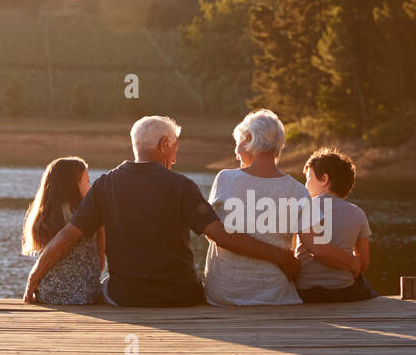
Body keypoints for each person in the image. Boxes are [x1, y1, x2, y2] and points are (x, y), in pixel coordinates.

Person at [24, 115, 298, 307]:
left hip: (125, 298)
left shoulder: (105, 185)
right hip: (182, 296)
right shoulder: (182, 186)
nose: (176, 158)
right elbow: (221, 236)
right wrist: (281, 257)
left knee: (106, 286)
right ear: (163, 144)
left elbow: (65, 238)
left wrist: (33, 279)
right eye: (175, 148)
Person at [203, 108, 334, 306]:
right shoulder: (298, 191)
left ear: (248, 138)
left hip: (224, 295)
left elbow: (212, 233)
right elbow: (316, 246)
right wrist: (352, 264)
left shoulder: (226, 179)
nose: (236, 152)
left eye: (238, 142)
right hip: (275, 296)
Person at [295, 148, 379, 303]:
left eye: (308, 179)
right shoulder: (358, 214)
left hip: (305, 292)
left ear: (324, 179)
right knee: (365, 286)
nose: (305, 185)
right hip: (344, 291)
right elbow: (364, 263)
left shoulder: (303, 208)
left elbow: (294, 253)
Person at [21, 157, 105, 304]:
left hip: (49, 294)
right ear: (72, 186)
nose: (90, 187)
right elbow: (100, 262)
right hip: (85, 296)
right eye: (87, 181)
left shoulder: (43, 218)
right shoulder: (91, 218)